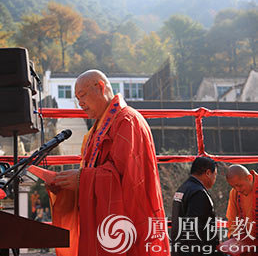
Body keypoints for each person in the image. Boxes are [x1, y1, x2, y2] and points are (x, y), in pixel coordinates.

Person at [47, 70, 170, 256]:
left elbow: (126, 179)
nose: (79, 103)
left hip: (130, 221)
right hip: (105, 225)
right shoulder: (97, 130)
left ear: (100, 87)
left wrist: (82, 180)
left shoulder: (127, 121)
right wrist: (67, 183)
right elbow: (94, 172)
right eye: (77, 98)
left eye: (82, 96)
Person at [171, 157, 224, 256]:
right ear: (208, 173)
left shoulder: (182, 189)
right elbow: (196, 229)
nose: (214, 179)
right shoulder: (199, 193)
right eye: (215, 175)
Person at [224, 164, 257, 255]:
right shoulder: (234, 193)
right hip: (246, 244)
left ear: (249, 178)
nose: (238, 189)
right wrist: (235, 238)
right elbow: (232, 219)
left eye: (239, 185)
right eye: (234, 187)